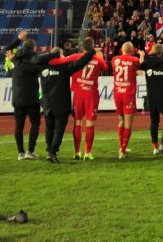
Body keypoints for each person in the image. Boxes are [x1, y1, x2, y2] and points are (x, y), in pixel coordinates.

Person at [34, 48, 95, 163]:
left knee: (49, 127)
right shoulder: (64, 67)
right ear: (58, 55)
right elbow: (80, 62)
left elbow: (34, 60)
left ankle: (49, 151)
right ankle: (52, 151)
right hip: (61, 104)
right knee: (59, 129)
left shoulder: (41, 67)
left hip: (47, 104)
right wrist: (91, 52)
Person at [2, 30, 50, 160]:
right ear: (34, 47)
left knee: (19, 126)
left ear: (23, 46)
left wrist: (18, 38)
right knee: (35, 124)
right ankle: (30, 151)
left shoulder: (15, 56)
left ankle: (20, 153)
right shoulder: (35, 58)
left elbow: (5, 50)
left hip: (18, 98)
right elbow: (34, 69)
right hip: (32, 98)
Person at [71, 37, 108, 160]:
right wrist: (101, 57)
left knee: (77, 122)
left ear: (82, 47)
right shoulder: (97, 59)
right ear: (92, 47)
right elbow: (106, 69)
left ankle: (77, 152)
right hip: (91, 93)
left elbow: (64, 61)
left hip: (78, 93)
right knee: (90, 123)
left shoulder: (76, 57)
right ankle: (87, 152)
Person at [112, 42, 144, 159]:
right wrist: (142, 55)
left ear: (121, 49)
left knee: (120, 121)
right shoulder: (133, 60)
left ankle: (121, 147)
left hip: (117, 93)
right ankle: (123, 150)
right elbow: (142, 64)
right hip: (128, 94)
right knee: (128, 124)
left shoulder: (114, 59)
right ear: (131, 50)